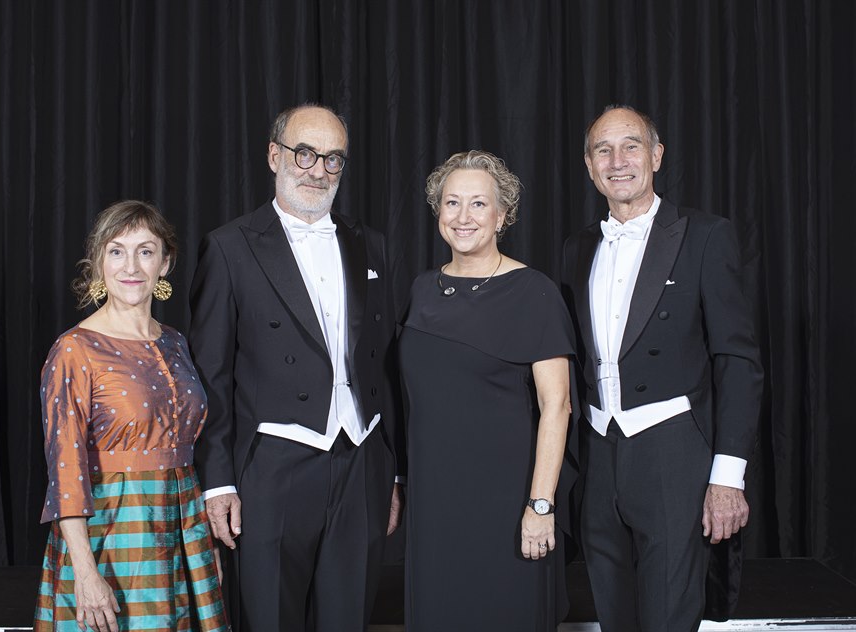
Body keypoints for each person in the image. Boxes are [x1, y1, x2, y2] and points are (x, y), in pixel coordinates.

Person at [188, 104, 403, 632]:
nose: (318, 170)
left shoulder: (370, 242)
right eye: (304, 153)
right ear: (274, 155)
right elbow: (210, 375)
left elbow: (386, 364)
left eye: (333, 159)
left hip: (361, 461)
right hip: (272, 466)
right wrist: (218, 483)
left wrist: (392, 469)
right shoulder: (229, 246)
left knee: (349, 619)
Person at [560, 105, 764, 631]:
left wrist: (728, 477)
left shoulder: (705, 236)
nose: (617, 161)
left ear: (656, 155)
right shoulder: (577, 247)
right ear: (589, 166)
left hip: (673, 453)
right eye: (603, 150)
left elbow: (737, 360)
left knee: (669, 617)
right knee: (614, 615)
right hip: (599, 451)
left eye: (631, 146)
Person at [399, 150, 577, 631]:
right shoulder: (421, 289)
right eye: (452, 203)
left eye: (478, 203)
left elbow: (557, 405)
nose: (463, 216)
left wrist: (540, 505)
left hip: (509, 501)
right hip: (435, 502)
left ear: (502, 215)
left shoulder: (534, 292)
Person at [34, 201, 229, 632]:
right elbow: (65, 472)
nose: (131, 266)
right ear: (99, 261)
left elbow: (191, 450)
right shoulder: (75, 349)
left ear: (165, 262)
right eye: (116, 251)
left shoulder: (176, 342)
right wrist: (85, 573)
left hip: (185, 530)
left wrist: (203, 541)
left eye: (145, 251)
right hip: (112, 531)